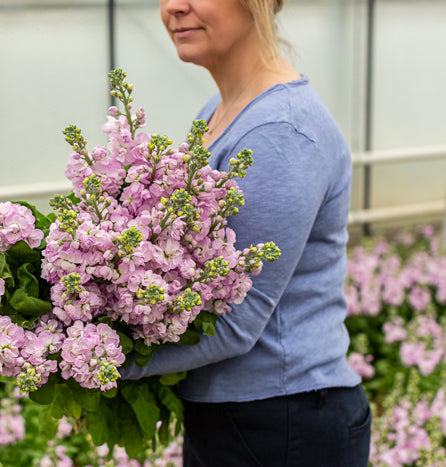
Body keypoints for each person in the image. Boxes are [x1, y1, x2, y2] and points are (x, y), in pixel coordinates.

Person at [119, 1, 372, 465]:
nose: (174, 6)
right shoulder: (219, 111)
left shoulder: (279, 131)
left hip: (282, 421)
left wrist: (86, 358)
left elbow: (236, 324)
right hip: (243, 414)